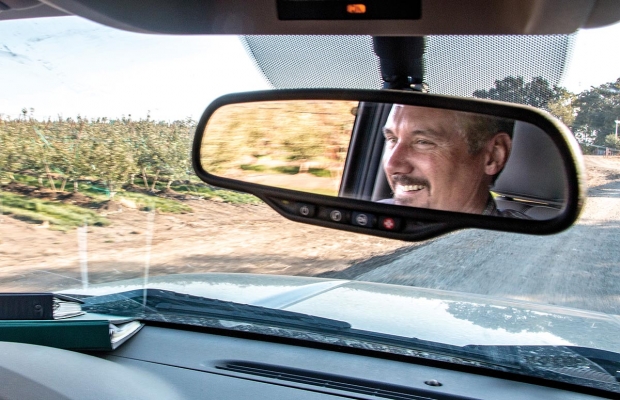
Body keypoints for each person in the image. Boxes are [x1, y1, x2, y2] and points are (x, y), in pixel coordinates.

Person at [382, 104, 527, 218]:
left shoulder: (529, 247)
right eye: (392, 139)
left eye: (423, 142)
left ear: (493, 156)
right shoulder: (378, 216)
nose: (391, 164)